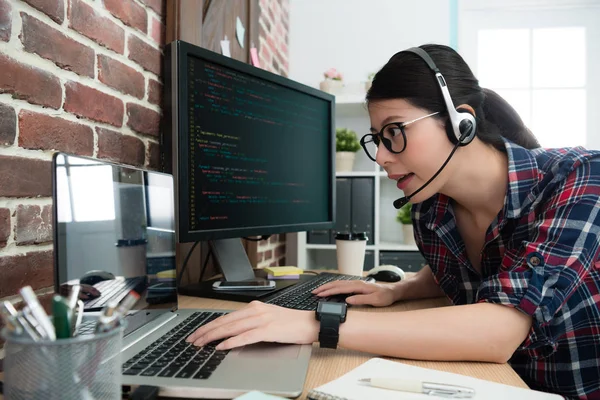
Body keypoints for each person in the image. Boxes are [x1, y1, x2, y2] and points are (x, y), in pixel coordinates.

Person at [186, 44, 600, 399]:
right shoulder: (431, 207)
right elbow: (475, 270)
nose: (382, 156)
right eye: (377, 138)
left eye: (394, 132)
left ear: (462, 123)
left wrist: (315, 324)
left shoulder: (578, 181)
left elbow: (499, 330)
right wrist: (400, 288)